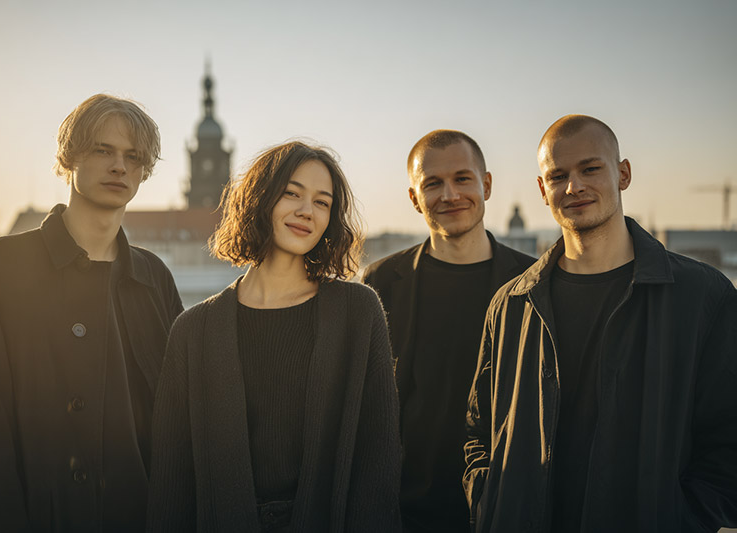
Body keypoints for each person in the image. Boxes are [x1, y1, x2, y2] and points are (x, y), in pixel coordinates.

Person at [464, 114, 737, 532]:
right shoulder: (510, 304)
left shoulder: (704, 296)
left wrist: (682, 519)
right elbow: (479, 432)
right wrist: (490, 503)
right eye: (558, 176)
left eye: (590, 168)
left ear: (623, 174)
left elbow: (726, 442)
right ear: (543, 189)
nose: (573, 186)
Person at [0, 94, 183, 531]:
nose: (119, 166)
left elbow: (180, 423)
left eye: (133, 156)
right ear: (70, 157)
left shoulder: (155, 279)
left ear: (145, 171)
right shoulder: (2, 266)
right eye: (103, 150)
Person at [147, 141, 401, 532]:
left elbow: (378, 462)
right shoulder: (193, 330)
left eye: (322, 202)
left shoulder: (358, 311)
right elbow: (171, 481)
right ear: (260, 199)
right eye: (292, 193)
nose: (306, 211)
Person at [362, 130, 534, 531]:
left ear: (486, 185)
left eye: (462, 179)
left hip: (508, 508)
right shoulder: (381, 282)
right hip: (406, 511)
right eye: (433, 183)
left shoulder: (533, 281)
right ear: (414, 197)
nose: (449, 194)